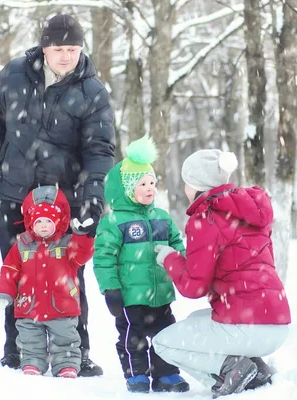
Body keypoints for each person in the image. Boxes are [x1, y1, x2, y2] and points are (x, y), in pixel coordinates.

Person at [0, 13, 115, 376]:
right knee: (15, 270)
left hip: (63, 202)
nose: (66, 56)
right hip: (15, 193)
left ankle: (76, 352)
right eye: (58, 48)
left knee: (70, 275)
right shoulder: (14, 74)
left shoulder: (92, 91)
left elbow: (99, 148)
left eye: (73, 48)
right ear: (44, 47)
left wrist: (93, 197)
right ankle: (18, 349)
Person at [151, 149, 292, 398]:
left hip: (246, 326)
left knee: (162, 343)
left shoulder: (205, 217)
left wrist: (169, 258)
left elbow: (194, 287)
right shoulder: (250, 211)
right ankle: (255, 369)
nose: (185, 188)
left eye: (187, 182)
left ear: (197, 185)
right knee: (196, 319)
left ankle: (230, 371)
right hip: (277, 323)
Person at [92, 136, 190, 393]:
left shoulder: (162, 217)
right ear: (126, 189)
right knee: (132, 337)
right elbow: (104, 258)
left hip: (160, 293)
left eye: (152, 183)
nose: (150, 188)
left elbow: (177, 244)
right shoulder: (114, 222)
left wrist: (183, 266)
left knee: (165, 336)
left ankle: (166, 374)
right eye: (142, 183)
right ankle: (137, 375)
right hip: (130, 296)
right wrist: (110, 289)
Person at [0, 186, 94, 378]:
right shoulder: (22, 245)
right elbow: (9, 270)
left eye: (49, 221)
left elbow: (83, 255)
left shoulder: (68, 243)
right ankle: (32, 361)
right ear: (31, 222)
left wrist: (84, 236)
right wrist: (3, 292)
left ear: (58, 221)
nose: (44, 226)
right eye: (39, 221)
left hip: (62, 305)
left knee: (65, 338)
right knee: (30, 338)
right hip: (29, 306)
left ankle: (66, 363)